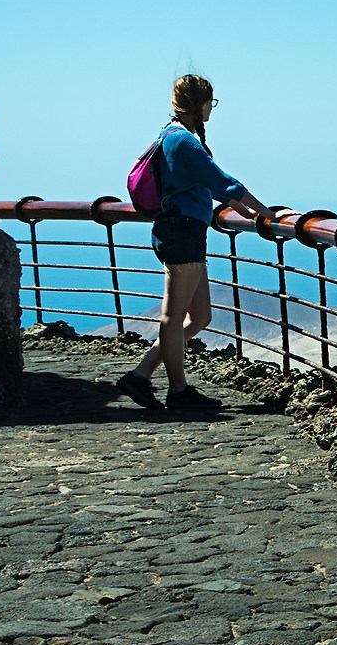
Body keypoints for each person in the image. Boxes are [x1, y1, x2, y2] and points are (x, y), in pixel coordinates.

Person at [115, 75, 269, 414]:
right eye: (210, 102)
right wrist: (267, 213)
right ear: (199, 104)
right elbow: (221, 180)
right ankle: (178, 391)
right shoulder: (182, 141)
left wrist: (242, 208)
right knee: (173, 317)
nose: (212, 108)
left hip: (183, 231)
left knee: (200, 316)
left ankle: (140, 376)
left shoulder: (171, 135)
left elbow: (206, 183)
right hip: (181, 231)